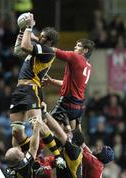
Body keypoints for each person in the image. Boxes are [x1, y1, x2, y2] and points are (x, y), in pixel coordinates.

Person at [10, 13, 66, 167]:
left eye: (42, 37)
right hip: (19, 90)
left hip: (32, 89)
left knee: (37, 125)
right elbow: (18, 50)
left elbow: (24, 46)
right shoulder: (39, 48)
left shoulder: (48, 52)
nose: (39, 37)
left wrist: (28, 27)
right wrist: (22, 31)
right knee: (16, 132)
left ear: (48, 41)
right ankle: (33, 154)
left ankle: (51, 156)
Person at [42, 39, 95, 132]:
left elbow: (54, 50)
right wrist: (52, 81)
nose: (75, 47)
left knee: (44, 129)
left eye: (78, 45)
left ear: (85, 50)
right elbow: (68, 84)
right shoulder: (88, 66)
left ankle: (34, 147)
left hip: (67, 103)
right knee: (69, 138)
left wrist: (37, 42)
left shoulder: (76, 57)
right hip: (78, 107)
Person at [41, 102, 83, 178]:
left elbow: (58, 131)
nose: (68, 133)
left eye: (70, 134)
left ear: (74, 142)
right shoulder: (72, 149)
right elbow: (51, 134)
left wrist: (45, 112)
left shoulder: (74, 151)